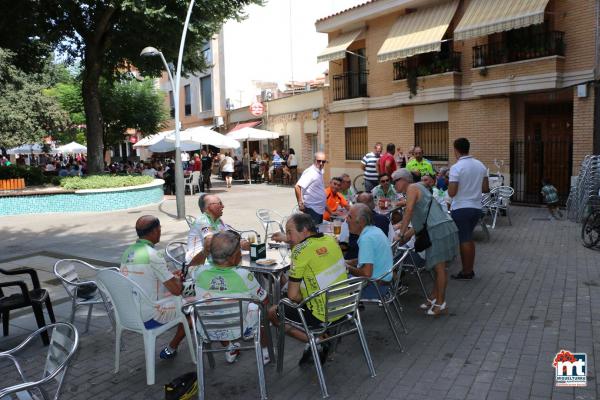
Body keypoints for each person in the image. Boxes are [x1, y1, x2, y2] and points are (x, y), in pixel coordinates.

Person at [267, 213, 347, 365]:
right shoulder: (330, 239)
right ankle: (319, 337)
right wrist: (288, 238)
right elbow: (308, 246)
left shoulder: (300, 251)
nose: (288, 237)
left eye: (289, 232)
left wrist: (304, 298)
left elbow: (292, 296)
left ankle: (318, 340)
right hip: (345, 305)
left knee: (273, 313)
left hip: (323, 313)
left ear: (304, 230)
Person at [193, 231, 270, 364]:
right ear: (234, 256)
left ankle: (229, 348)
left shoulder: (199, 272)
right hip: (239, 329)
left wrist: (205, 252)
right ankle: (265, 352)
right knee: (260, 311)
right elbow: (265, 300)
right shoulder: (244, 275)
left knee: (215, 308)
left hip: (207, 329)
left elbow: (190, 268)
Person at [393, 168, 459, 316]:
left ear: (403, 180)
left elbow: (409, 211)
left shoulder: (412, 188)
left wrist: (401, 233)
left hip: (438, 230)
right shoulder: (418, 187)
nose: (394, 184)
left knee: (439, 268)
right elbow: (421, 219)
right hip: (439, 228)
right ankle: (433, 297)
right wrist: (407, 235)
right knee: (437, 268)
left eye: (395, 181)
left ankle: (441, 304)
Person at [120, 216, 188, 359]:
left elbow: (144, 278)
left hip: (128, 313)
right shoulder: (154, 255)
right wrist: (178, 281)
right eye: (160, 229)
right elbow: (176, 290)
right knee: (192, 306)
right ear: (154, 231)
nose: (160, 232)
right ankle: (172, 347)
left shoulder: (127, 252)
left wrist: (169, 275)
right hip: (150, 316)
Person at [448, 138, 489, 281]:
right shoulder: (480, 165)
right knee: (468, 238)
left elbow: (452, 192)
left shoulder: (456, 167)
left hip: (461, 208)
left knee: (464, 239)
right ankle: (468, 269)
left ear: (456, 150)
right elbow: (485, 188)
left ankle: (467, 271)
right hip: (476, 207)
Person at [345, 204, 394, 299]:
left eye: (350, 217)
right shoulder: (375, 230)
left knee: (333, 281)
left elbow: (367, 273)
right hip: (383, 283)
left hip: (374, 287)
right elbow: (371, 258)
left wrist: (347, 267)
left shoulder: (366, 239)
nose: (346, 220)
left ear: (361, 221)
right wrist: (350, 262)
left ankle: (348, 311)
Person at [186, 194, 249, 266]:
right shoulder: (202, 220)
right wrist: (238, 244)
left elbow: (231, 237)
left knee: (245, 256)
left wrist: (242, 242)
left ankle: (248, 270)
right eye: (220, 204)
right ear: (209, 207)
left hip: (214, 259)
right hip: (199, 263)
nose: (223, 206)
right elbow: (210, 242)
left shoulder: (218, 221)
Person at [295, 152, 327, 224]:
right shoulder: (310, 172)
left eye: (323, 161)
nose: (321, 163)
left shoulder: (319, 171)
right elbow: (297, 186)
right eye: (319, 161)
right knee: (312, 233)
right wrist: (300, 203)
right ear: (314, 160)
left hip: (318, 209)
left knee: (318, 230)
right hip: (312, 209)